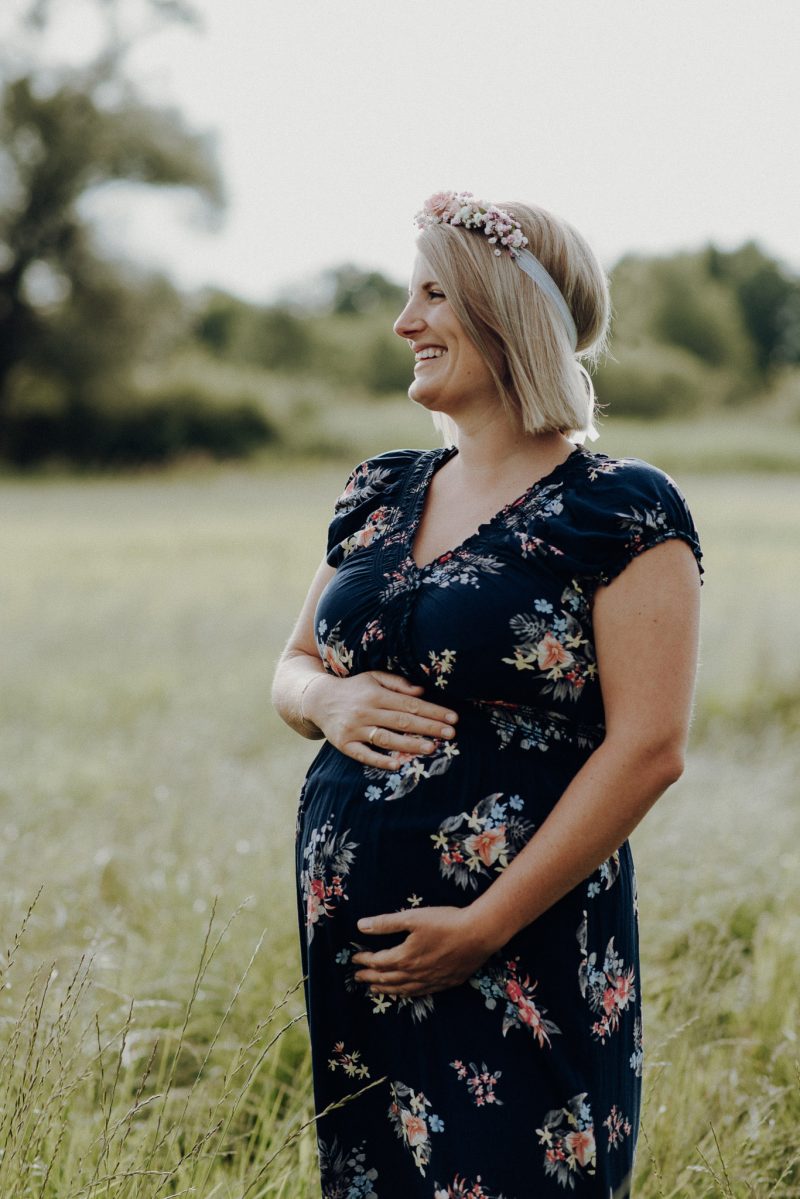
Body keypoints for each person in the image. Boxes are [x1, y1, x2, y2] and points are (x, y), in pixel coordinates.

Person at [271, 191, 703, 1199]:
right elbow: (292, 663)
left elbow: (650, 746)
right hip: (362, 955)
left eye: (432, 295)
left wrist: (483, 924)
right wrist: (326, 702)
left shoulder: (620, 506)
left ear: (506, 310)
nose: (403, 322)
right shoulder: (378, 491)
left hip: (521, 942)